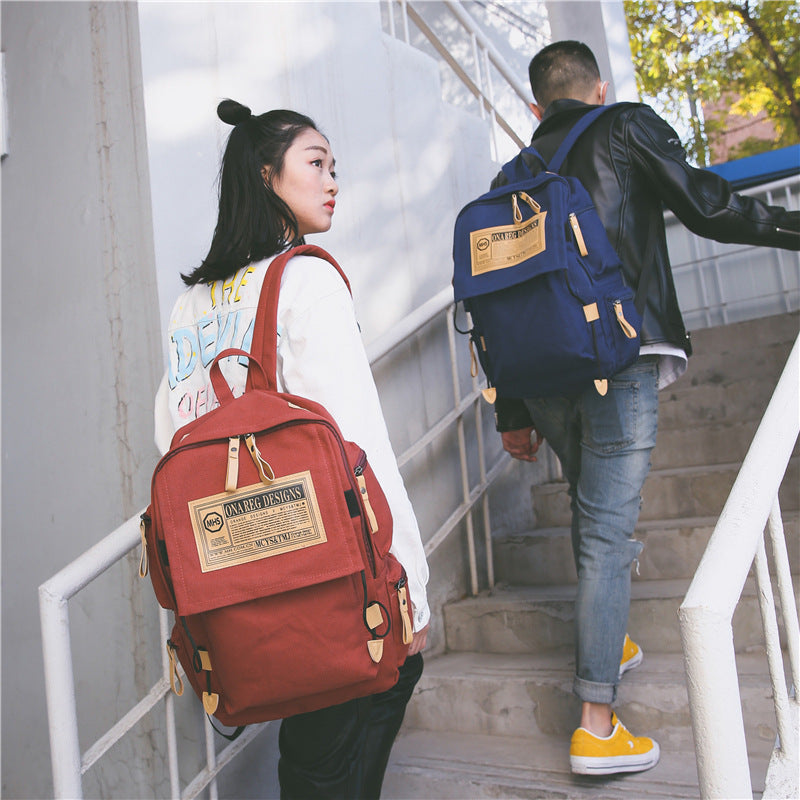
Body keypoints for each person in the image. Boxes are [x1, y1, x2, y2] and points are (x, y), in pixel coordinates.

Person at [491, 41, 800, 777]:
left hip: (540, 373)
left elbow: (498, 295)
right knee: (605, 534)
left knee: (590, 506)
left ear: (537, 107)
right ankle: (596, 723)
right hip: (618, 360)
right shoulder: (625, 125)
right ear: (595, 89)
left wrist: (510, 409)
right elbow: (711, 208)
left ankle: (612, 636)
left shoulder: (511, 175)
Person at [153, 100, 430, 799]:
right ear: (265, 173)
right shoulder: (304, 276)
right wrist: (411, 589)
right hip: (312, 554)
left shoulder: (191, 305)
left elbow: (175, 433)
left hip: (228, 566)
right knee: (372, 689)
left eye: (334, 167)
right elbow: (356, 442)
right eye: (316, 163)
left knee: (313, 729)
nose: (333, 180)